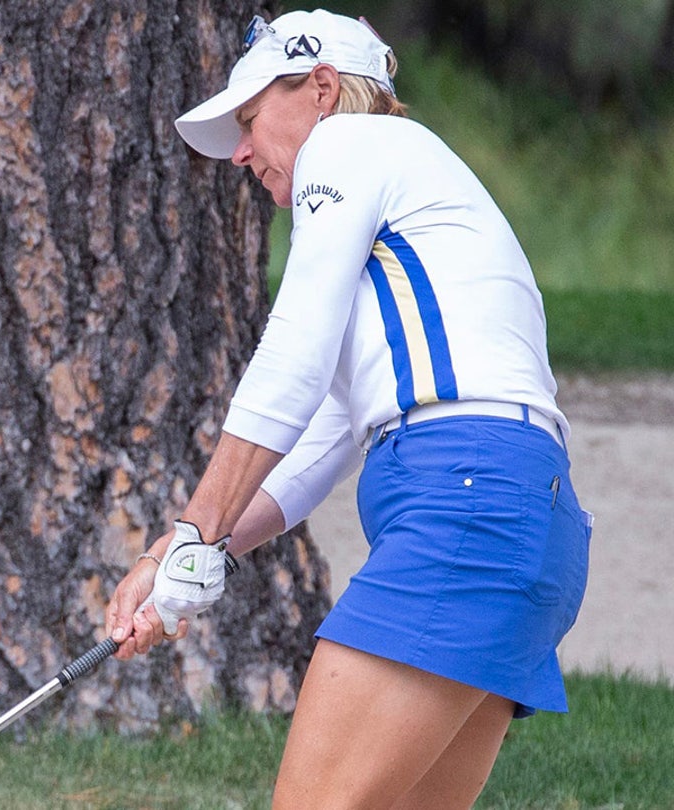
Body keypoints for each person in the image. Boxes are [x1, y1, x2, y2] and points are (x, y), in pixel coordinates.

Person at [103, 9, 592, 809]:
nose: (241, 153)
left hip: (464, 505)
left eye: (251, 121)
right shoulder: (402, 215)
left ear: (323, 88)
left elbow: (290, 358)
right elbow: (322, 439)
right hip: (529, 520)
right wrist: (178, 558)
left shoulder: (349, 145)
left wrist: (196, 528)